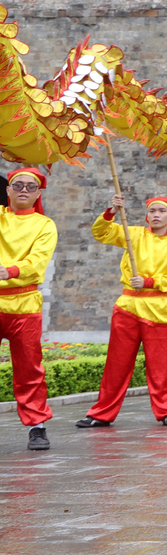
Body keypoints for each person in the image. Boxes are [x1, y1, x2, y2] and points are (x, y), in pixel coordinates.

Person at [77, 195, 167, 428]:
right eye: (152, 211)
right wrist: (112, 211)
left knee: (161, 364)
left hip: (157, 307)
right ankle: (101, 412)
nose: (156, 215)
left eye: (161, 211)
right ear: (147, 216)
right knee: (116, 363)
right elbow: (101, 233)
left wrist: (148, 282)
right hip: (128, 305)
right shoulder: (133, 233)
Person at [0, 168, 56, 450]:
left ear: (38, 194)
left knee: (29, 368)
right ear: (7, 190)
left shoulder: (45, 225)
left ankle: (37, 426)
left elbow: (36, 263)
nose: (23, 189)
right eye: (17, 185)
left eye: (30, 186)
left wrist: (8, 270)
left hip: (24, 303)